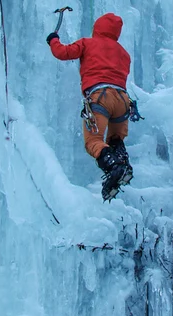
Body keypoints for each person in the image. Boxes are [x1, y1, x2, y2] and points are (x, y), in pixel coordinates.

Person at [48, 12, 134, 201]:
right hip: (123, 101)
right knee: (115, 139)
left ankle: (114, 168)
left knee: (93, 141)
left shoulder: (88, 43)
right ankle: (123, 165)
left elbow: (62, 53)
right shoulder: (124, 54)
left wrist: (53, 39)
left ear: (98, 27)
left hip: (100, 97)